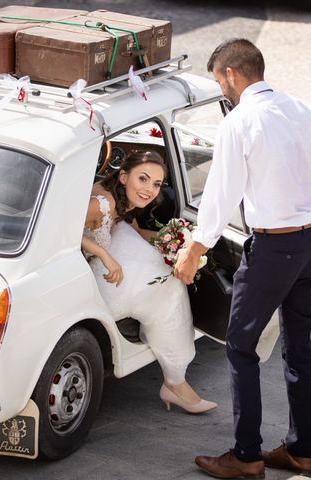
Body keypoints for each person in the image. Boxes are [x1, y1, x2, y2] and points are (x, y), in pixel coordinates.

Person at [174, 38, 311, 478]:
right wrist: (310, 203)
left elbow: (220, 194)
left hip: (274, 250)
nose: (222, 92)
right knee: (299, 349)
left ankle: (247, 455)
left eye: (220, 82)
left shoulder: (240, 122)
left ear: (232, 74)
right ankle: (299, 451)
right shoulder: (303, 110)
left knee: (240, 346)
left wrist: (195, 248)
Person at [83, 150, 217, 414]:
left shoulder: (126, 199)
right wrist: (103, 254)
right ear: (123, 176)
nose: (149, 190)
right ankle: (175, 381)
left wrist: (185, 244)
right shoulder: (102, 202)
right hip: (89, 269)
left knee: (163, 269)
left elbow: (134, 231)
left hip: (109, 250)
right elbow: (59, 230)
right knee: (167, 289)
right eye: (142, 179)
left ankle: (176, 379)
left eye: (156, 184)